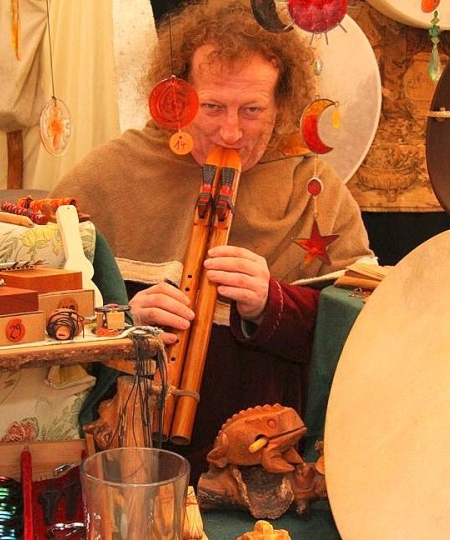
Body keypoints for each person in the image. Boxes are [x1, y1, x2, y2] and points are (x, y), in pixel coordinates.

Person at [52, 0, 374, 481]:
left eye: (252, 110)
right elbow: (42, 316)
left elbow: (362, 328)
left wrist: (274, 304)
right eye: (212, 107)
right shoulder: (109, 174)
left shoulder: (315, 189)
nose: (231, 130)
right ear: (177, 97)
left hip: (264, 461)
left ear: (281, 104)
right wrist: (121, 321)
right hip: (130, 454)